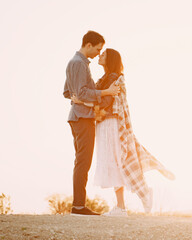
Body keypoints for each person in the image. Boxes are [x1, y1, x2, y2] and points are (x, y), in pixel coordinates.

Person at [72, 48, 175, 216]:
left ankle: (127, 204)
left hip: (112, 124)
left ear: (110, 59)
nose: (100, 55)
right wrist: (84, 100)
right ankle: (125, 205)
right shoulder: (105, 78)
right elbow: (98, 97)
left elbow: (105, 101)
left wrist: (83, 103)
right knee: (114, 163)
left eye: (103, 54)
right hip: (104, 123)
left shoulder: (113, 78)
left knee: (118, 162)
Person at [63, 31, 121, 216]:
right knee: (83, 162)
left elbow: (67, 92)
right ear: (88, 45)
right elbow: (80, 93)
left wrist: (78, 99)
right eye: (98, 49)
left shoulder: (74, 62)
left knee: (81, 161)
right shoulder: (79, 64)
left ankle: (78, 205)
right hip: (83, 118)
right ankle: (79, 207)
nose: (98, 53)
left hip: (77, 115)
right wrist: (106, 92)